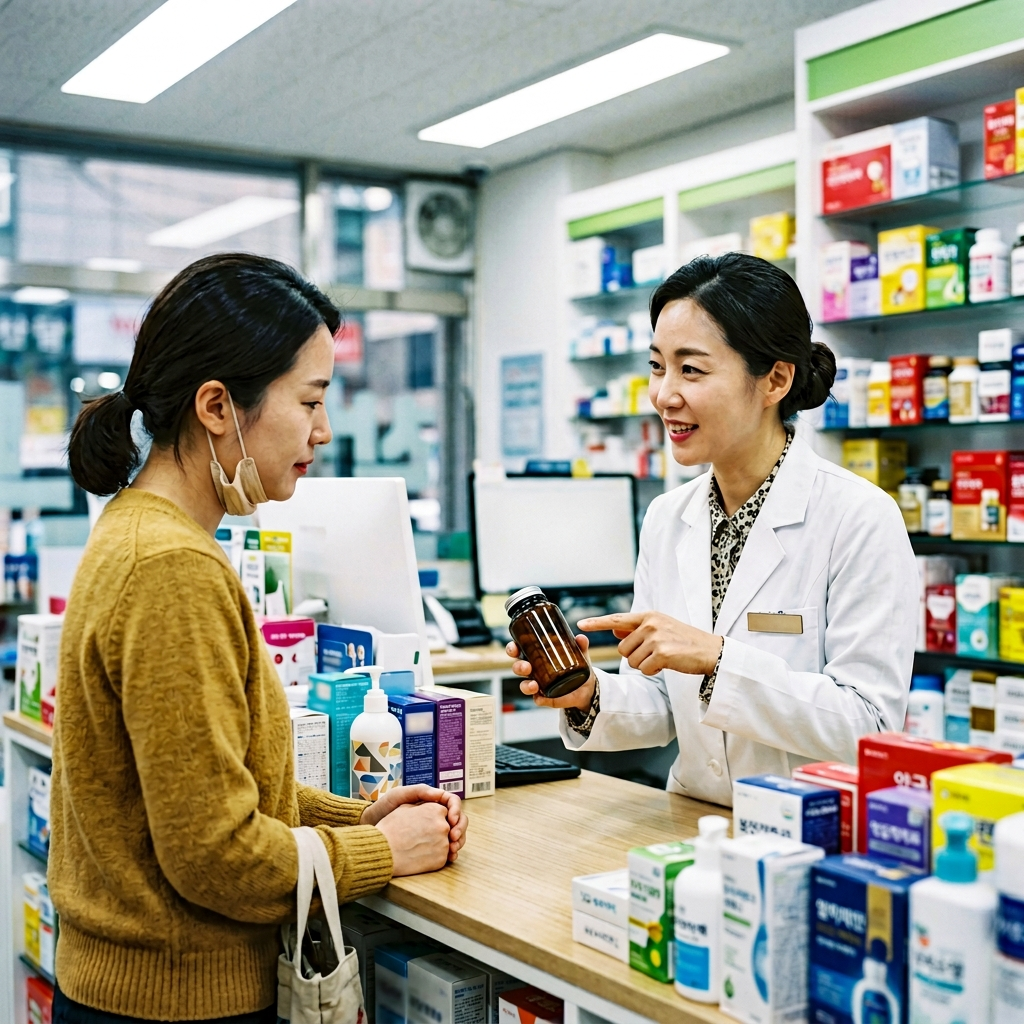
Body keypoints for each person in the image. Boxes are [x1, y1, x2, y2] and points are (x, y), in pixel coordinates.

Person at [52, 253, 468, 1024]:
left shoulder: (143, 533)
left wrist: (354, 818)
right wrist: (383, 855)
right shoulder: (171, 567)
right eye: (309, 400)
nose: (325, 430)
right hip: (174, 1001)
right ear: (217, 406)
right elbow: (216, 855)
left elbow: (207, 789)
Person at [509, 253, 917, 806]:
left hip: (813, 833)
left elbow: (868, 726)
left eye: (691, 369)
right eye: (658, 366)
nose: (664, 395)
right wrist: (586, 694)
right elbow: (662, 701)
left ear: (775, 378)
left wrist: (717, 658)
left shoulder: (858, 516)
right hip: (691, 822)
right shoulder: (667, 518)